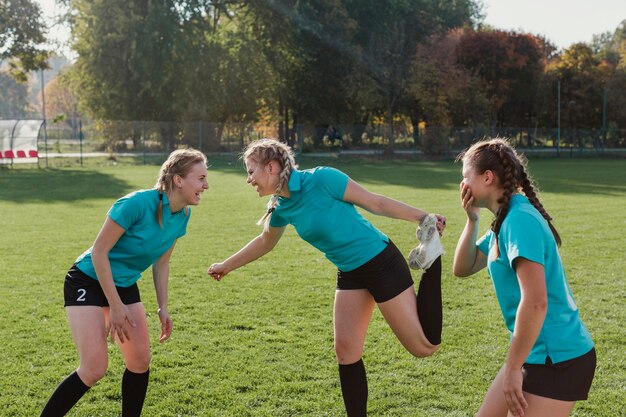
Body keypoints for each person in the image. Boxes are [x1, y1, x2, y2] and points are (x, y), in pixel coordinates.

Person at [208, 138, 446, 417]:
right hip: (350, 272)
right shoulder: (281, 206)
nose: (249, 180)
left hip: (380, 262)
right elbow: (265, 241)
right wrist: (227, 265)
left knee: (425, 347)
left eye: (251, 171)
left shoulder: (322, 179)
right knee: (346, 351)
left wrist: (423, 218)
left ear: (271, 167)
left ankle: (432, 259)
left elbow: (375, 202)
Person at [41, 149, 209, 417]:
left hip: (125, 283)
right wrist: (116, 306)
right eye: (200, 178)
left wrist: (163, 307)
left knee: (140, 361)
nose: (206, 185)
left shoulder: (183, 215)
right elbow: (99, 253)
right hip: (88, 278)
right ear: (178, 180)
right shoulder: (135, 204)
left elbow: (162, 262)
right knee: (94, 368)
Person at [453, 138, 595, 417]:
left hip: (557, 357)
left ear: (487, 177)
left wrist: (514, 368)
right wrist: (472, 219)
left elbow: (536, 302)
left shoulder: (519, 220)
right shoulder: (503, 220)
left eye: (465, 177)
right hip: (532, 351)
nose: (462, 185)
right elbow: (463, 267)